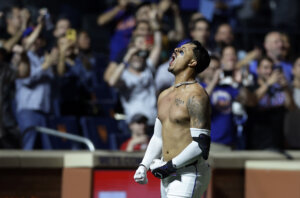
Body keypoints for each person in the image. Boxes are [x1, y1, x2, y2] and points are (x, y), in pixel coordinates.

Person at [134, 41, 211, 197]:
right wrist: (144, 165)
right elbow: (158, 137)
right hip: (168, 172)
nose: (175, 50)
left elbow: (201, 145)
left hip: (188, 173)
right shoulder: (164, 95)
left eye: (182, 51)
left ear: (192, 62)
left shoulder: (197, 95)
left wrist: (169, 166)